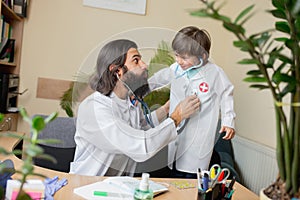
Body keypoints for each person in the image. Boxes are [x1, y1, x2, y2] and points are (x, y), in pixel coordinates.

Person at [69, 39, 200, 176]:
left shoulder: (128, 102)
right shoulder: (95, 109)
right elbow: (140, 146)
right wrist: (177, 117)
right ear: (117, 71)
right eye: (136, 61)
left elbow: (142, 127)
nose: (144, 65)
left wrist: (166, 110)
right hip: (86, 188)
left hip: (119, 187)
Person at [149, 26, 236, 178]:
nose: (179, 61)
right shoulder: (176, 68)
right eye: (177, 55)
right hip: (176, 137)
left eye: (185, 57)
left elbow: (226, 93)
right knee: (173, 175)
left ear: (202, 55)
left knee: (191, 178)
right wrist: (141, 89)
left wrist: (228, 121)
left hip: (199, 139)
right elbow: (158, 80)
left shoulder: (214, 73)